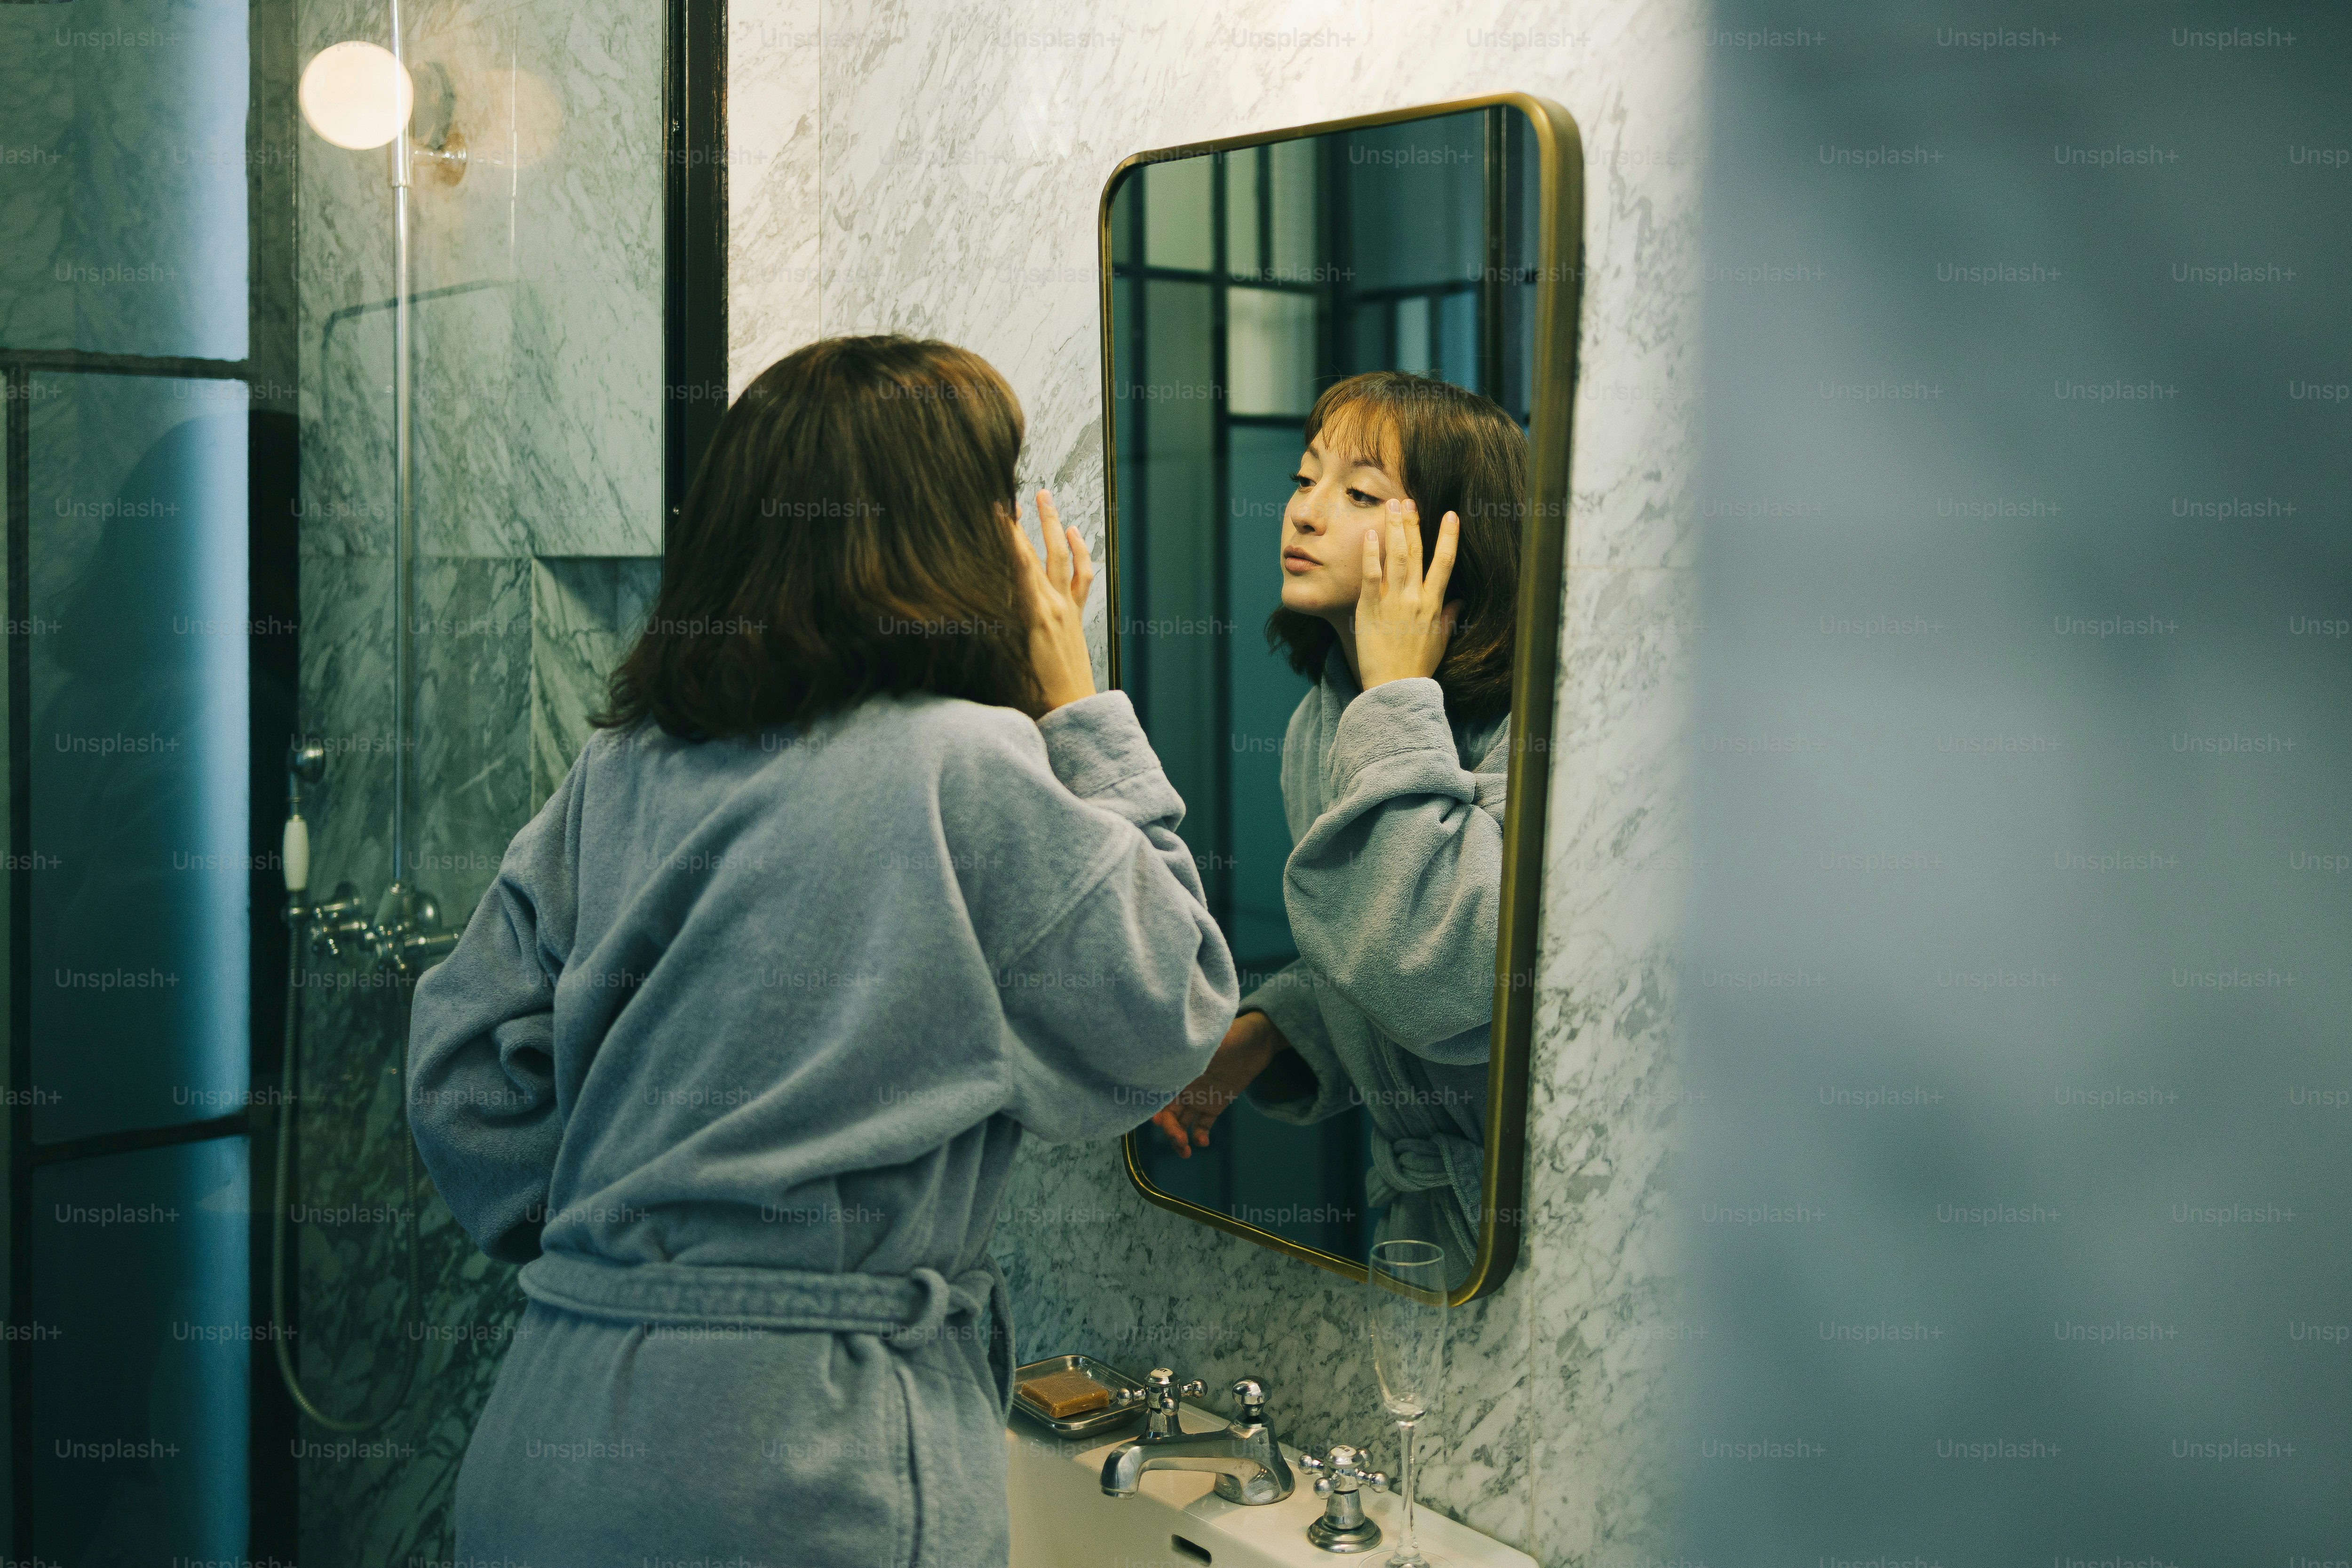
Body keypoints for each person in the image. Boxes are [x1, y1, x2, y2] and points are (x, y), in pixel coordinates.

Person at [406, 335, 1236, 1566]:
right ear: (958, 536)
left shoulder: (624, 770)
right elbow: (1168, 1010)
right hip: (805, 1463)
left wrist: (640, 1244)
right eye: (999, 499)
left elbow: (462, 1080)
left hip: (555, 1422)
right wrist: (1078, 706)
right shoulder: (963, 762)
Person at [1150, 371, 1526, 1289]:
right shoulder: (1323, 719)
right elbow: (1365, 936)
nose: (1306, 514)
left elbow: (1442, 970)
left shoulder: (1536, 730)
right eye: (1303, 478)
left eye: (1358, 493)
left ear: (1454, 539)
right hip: (1422, 1230)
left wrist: (1401, 693)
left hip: (1526, 1241)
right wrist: (1268, 1032)